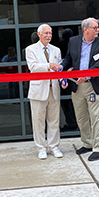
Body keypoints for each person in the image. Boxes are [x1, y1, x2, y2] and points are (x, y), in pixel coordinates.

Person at [61, 18, 99, 161]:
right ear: (85, 29)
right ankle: (87, 143)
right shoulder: (74, 41)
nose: (97, 30)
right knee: (81, 117)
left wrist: (86, 74)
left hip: (93, 85)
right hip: (76, 85)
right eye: (95, 28)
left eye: (98, 28)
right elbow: (68, 59)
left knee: (96, 117)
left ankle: (98, 148)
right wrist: (61, 69)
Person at [25, 24, 64, 159]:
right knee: (38, 121)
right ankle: (41, 148)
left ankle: (54, 147)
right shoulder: (31, 49)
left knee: (54, 121)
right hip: (38, 91)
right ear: (39, 34)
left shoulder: (56, 50)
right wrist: (49, 66)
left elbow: (59, 69)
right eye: (46, 33)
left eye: (50, 33)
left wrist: (63, 80)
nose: (48, 36)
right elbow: (33, 67)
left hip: (53, 91)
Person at [58, 28, 77, 131]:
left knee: (66, 102)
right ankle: (76, 121)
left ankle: (71, 122)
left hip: (65, 76)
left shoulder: (61, 45)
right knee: (76, 100)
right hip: (75, 76)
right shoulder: (76, 44)